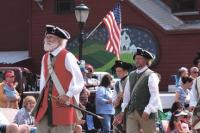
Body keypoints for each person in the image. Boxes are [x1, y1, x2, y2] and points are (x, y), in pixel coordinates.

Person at [32, 24, 85, 133]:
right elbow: (43, 82)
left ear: (60, 40)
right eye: (47, 37)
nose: (48, 40)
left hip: (62, 106)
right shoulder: (45, 57)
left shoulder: (67, 56)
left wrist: (68, 95)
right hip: (45, 107)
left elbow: (79, 81)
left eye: (52, 37)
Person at [113, 47, 162, 133]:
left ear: (146, 61)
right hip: (132, 112)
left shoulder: (151, 75)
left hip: (146, 112)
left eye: (140, 58)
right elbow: (127, 95)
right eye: (136, 58)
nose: (137, 60)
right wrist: (123, 111)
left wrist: (148, 110)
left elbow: (155, 95)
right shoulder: (131, 75)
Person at [111, 60, 132, 133]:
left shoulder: (131, 81)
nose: (117, 73)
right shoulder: (117, 84)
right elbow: (114, 104)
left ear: (125, 71)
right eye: (116, 71)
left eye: (119, 71)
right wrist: (119, 97)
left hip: (129, 112)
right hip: (118, 112)